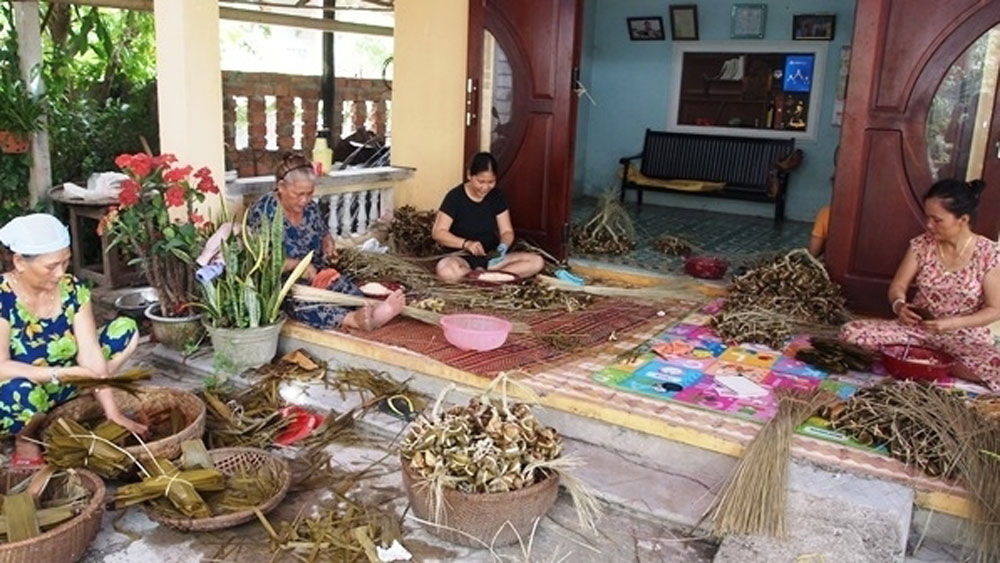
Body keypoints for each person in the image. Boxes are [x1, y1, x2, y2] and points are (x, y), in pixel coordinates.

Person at [0, 213, 147, 466]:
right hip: (24, 387)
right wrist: (60, 374)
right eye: (51, 266)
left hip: (67, 378)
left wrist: (112, 412)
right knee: (19, 392)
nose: (60, 273)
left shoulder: (73, 290)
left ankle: (83, 395)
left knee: (125, 331)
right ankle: (26, 437)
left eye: (65, 262)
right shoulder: (3, 297)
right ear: (20, 262)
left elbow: (90, 352)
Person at [841, 179, 1000, 391]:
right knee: (851, 333)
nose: (929, 225)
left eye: (937, 220)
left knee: (995, 365)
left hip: (963, 335)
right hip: (917, 330)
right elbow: (898, 286)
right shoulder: (922, 245)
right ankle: (933, 361)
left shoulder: (989, 254)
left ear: (963, 219)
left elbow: (995, 309)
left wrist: (951, 324)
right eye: (928, 217)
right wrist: (899, 306)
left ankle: (920, 360)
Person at [247, 152, 405, 331]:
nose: (304, 200)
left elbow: (324, 234)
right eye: (298, 194)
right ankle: (353, 319)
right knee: (302, 303)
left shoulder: (310, 208)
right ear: (281, 186)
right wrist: (297, 266)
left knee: (343, 287)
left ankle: (370, 310)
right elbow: (261, 260)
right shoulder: (263, 212)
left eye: (310, 193)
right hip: (285, 285)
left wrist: (328, 246)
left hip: (317, 275)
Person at [432, 152, 545, 283]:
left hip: (490, 258)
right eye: (481, 181)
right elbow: (438, 233)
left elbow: (506, 231)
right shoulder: (455, 197)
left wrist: (502, 247)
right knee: (445, 270)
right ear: (469, 175)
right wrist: (466, 243)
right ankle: (489, 278)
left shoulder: (497, 197)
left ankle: (480, 277)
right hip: (460, 258)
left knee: (536, 261)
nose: (485, 187)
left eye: (491, 182)